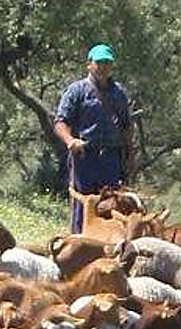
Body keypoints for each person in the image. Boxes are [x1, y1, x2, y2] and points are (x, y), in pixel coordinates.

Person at [54, 43, 135, 233]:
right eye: (99, 62)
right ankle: (79, 242)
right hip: (84, 157)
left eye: (107, 62)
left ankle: (107, 245)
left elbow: (126, 126)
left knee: (111, 206)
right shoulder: (77, 90)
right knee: (83, 205)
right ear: (89, 65)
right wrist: (70, 141)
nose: (103, 67)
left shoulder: (119, 93)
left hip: (110, 159)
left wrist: (129, 154)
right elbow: (60, 122)